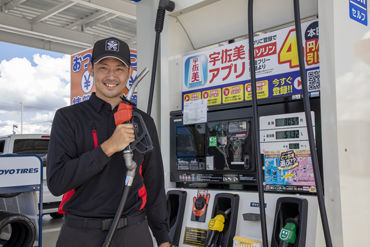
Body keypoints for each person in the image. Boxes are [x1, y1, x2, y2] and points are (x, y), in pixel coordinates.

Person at [47, 37, 170, 247]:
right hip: (80, 233)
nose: (111, 76)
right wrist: (108, 147)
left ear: (129, 73)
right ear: (91, 70)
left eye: (119, 68)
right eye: (103, 67)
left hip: (133, 232)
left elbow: (154, 183)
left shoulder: (142, 121)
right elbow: (57, 182)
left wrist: (163, 238)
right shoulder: (68, 118)